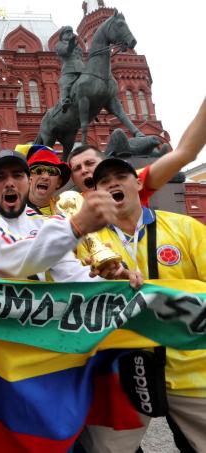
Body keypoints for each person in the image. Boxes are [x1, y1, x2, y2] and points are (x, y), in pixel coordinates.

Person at [75, 157, 206, 453]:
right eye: (103, 181)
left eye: (121, 176)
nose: (113, 183)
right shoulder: (87, 244)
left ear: (138, 183)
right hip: (118, 372)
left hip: (194, 371)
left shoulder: (185, 227)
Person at [0, 149, 140, 285]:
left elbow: (71, 274)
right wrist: (76, 226)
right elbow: (19, 259)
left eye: (17, 175)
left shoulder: (43, 222)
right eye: (0, 177)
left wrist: (112, 279)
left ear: (29, 182)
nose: (9, 183)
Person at [67, 96, 206, 200]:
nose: (84, 170)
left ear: (104, 163)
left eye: (89, 163)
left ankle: (154, 152)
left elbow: (184, 153)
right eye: (77, 168)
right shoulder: (69, 206)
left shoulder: (130, 184)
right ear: (72, 177)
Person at [26, 148, 71, 216]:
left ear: (59, 182)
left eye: (52, 171)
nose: (45, 177)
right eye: (38, 170)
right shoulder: (12, 211)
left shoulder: (67, 214)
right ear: (27, 178)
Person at [56, 26, 84, 112]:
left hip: (82, 69)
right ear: (62, 35)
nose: (70, 34)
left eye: (71, 32)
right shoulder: (59, 44)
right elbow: (65, 52)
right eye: (67, 32)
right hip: (69, 69)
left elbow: (80, 57)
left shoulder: (78, 46)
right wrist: (70, 46)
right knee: (65, 84)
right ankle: (64, 101)